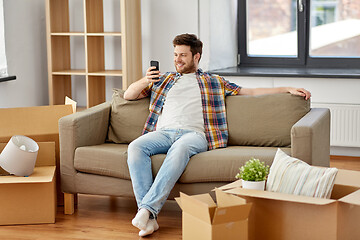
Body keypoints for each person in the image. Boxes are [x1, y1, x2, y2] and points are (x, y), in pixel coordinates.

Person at [124, 33, 311, 237]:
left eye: (183, 55)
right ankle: (149, 216)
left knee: (180, 150)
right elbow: (129, 95)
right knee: (135, 147)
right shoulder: (164, 80)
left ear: (196, 57)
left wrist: (287, 88)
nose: (177, 59)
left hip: (193, 135)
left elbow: (252, 92)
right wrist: (145, 79)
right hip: (163, 133)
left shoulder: (213, 81)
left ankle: (147, 210)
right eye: (175, 54)